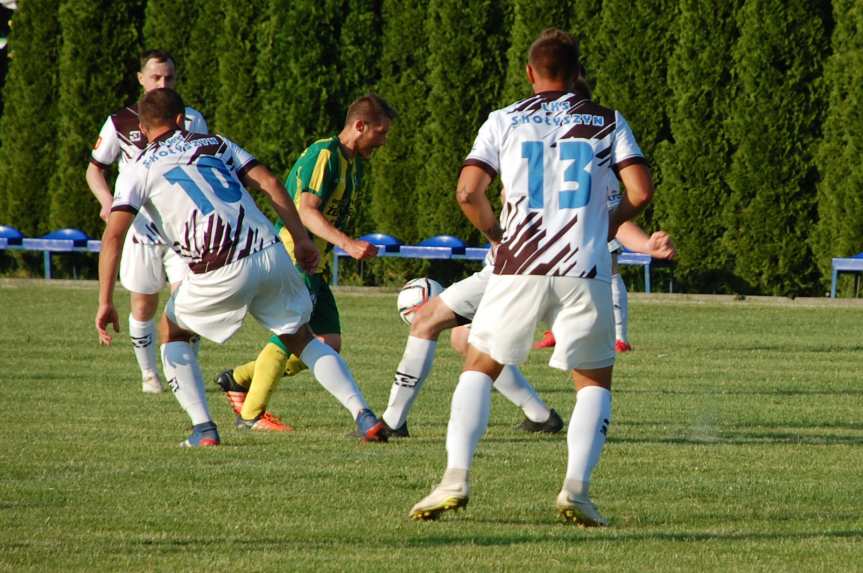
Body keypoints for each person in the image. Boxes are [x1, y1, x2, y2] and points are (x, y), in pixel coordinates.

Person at [409, 28, 653, 525]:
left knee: (480, 365)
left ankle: (455, 478)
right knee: (593, 382)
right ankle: (576, 491)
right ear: (577, 72)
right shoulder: (605, 119)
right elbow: (641, 191)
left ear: (529, 72)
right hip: (584, 266)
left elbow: (467, 192)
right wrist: (604, 223)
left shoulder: (503, 120)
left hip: (517, 264)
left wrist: (498, 233)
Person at [95, 88, 384, 446]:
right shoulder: (215, 143)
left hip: (218, 264)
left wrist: (105, 300)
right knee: (302, 338)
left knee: (172, 331)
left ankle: (203, 429)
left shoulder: (137, 169)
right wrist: (302, 238)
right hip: (269, 250)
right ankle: (364, 415)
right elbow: (271, 183)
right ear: (182, 119)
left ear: (142, 125)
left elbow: (113, 236)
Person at [212, 94, 394, 436]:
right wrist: (348, 244)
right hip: (295, 255)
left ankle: (238, 378)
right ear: (360, 126)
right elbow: (306, 209)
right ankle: (251, 413)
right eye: (380, 133)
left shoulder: (354, 163)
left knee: (329, 343)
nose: (383, 141)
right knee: (291, 333)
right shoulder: (325, 154)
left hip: (314, 262)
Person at [86, 50, 208, 394]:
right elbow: (95, 169)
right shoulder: (120, 122)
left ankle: (183, 372)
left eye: (168, 77)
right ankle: (149, 375)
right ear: (140, 79)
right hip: (141, 229)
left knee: (187, 300)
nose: (162, 83)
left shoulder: (193, 120)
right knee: (143, 303)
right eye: (155, 77)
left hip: (184, 229)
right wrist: (108, 203)